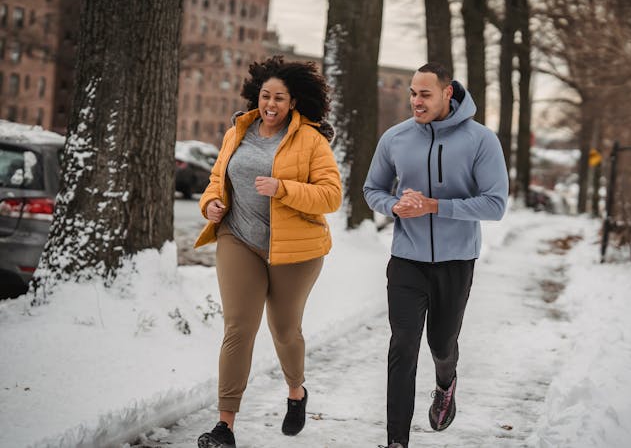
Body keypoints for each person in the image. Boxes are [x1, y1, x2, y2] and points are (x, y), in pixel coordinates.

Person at [193, 56, 342, 448]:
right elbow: (215, 178)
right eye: (265, 96)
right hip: (238, 239)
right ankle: (224, 426)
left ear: (294, 102)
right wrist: (210, 204)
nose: (270, 104)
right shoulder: (238, 131)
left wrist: (284, 189)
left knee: (284, 329)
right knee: (239, 328)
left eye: (279, 97)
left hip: (296, 252)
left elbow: (331, 196)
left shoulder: (311, 140)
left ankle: (296, 391)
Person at [363, 62, 509, 448]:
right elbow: (371, 189)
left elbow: (494, 205)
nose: (416, 101)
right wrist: (395, 206)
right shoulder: (395, 138)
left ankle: (446, 382)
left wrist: (435, 207)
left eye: (425, 94)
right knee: (403, 344)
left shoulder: (481, 140)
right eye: (413, 92)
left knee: (441, 343)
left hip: (456, 261)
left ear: (448, 93)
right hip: (407, 258)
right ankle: (397, 440)